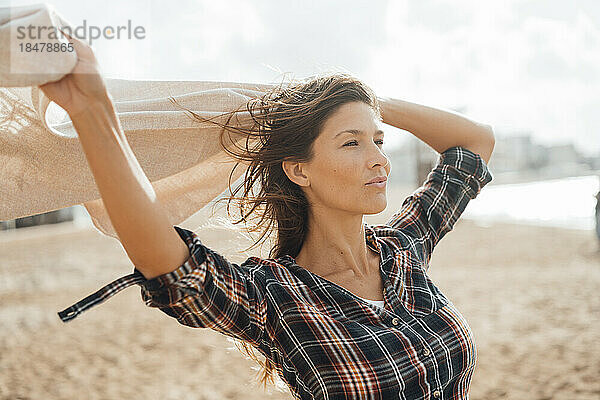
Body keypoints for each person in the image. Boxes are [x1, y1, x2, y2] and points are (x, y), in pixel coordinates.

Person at [44, 32, 495, 400]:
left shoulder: (403, 250)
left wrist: (364, 101)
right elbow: (174, 272)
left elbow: (475, 144)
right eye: (351, 142)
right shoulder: (276, 297)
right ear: (300, 169)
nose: (379, 159)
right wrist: (90, 110)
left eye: (378, 140)